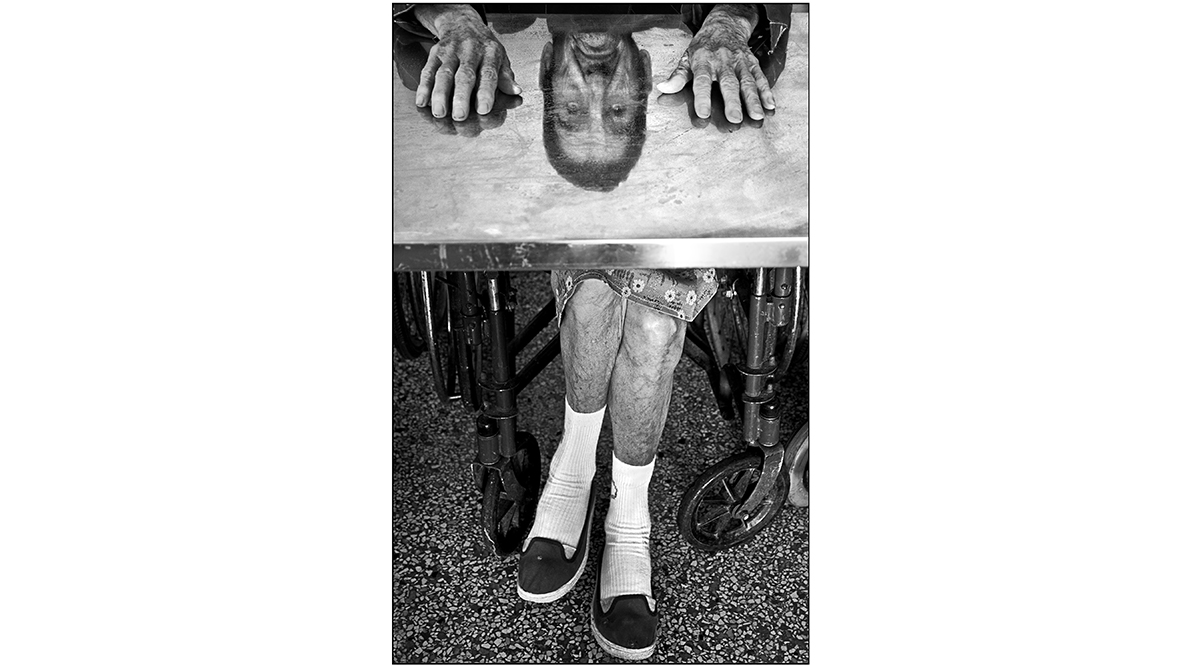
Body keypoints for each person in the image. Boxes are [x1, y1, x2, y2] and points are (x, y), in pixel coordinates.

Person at [393, 3, 793, 659]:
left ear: (642, 77)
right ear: (548, 78)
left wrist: (726, 22)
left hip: (679, 129)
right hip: (543, 83)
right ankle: (574, 465)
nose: (598, 87)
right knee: (591, 294)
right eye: (575, 108)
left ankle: (628, 512)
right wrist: (456, 17)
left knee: (655, 323)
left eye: (614, 108)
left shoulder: (650, 77)